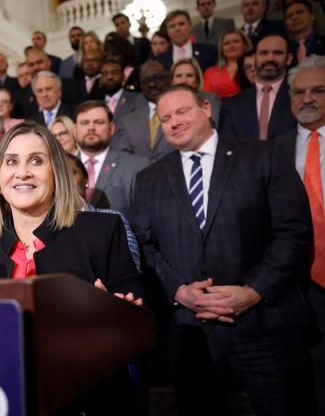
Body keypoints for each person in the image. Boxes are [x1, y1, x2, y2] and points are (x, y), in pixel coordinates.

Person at [133, 84, 317, 416]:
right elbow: (146, 245)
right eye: (165, 118)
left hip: (265, 325)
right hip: (191, 335)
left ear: (206, 108)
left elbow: (294, 231)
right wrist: (179, 291)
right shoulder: (148, 179)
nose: (173, 122)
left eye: (182, 111)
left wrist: (254, 291)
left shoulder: (263, 154)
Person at [0, 120, 142, 414]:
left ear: (56, 174)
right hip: (4, 396)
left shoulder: (103, 230)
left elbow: (137, 319)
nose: (23, 172)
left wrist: (116, 314)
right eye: (11, 162)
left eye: (36, 160)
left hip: (87, 397)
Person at [278, 55, 325, 415]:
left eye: (319, 91)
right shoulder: (272, 151)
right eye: (299, 92)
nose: (307, 98)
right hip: (293, 284)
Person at [75, 100, 149, 214]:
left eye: (98, 122)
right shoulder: (61, 167)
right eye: (84, 123)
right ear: (75, 130)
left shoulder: (137, 167)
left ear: (111, 129)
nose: (91, 128)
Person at [219, 33, 297, 140]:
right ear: (254, 58)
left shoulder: (299, 97)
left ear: (288, 58)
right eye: (263, 53)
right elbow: (227, 146)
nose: (270, 58)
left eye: (277, 53)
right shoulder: (231, 105)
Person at [111, 60, 174, 162]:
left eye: (157, 78)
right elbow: (121, 159)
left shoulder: (184, 113)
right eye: (146, 81)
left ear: (170, 79)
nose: (152, 84)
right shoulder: (128, 121)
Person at [171, 58, 222, 127]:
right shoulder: (166, 103)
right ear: (172, 81)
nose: (184, 80)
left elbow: (212, 126)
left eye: (189, 75)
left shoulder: (210, 98)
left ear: (197, 80)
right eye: (179, 76)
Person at [203, 29, 253, 99]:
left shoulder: (254, 68)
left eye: (236, 41)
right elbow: (206, 99)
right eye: (227, 43)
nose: (231, 45)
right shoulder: (210, 72)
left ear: (245, 45)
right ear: (221, 49)